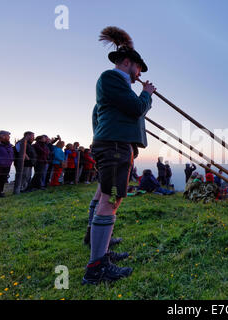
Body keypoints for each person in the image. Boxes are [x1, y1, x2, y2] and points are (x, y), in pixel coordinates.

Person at [81, 26, 155, 285]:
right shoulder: (112, 79)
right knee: (111, 199)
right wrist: (146, 94)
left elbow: (98, 116)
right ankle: (97, 266)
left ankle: (97, 244)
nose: (139, 75)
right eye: (138, 69)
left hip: (113, 145)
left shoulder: (116, 85)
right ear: (127, 62)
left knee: (104, 194)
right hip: (114, 146)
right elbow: (136, 109)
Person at [0, 131, 14, 197]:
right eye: (7, 135)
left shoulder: (9, 145)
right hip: (0, 165)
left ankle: (0, 192)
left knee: (3, 179)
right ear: (2, 136)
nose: (9, 137)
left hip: (7, 165)